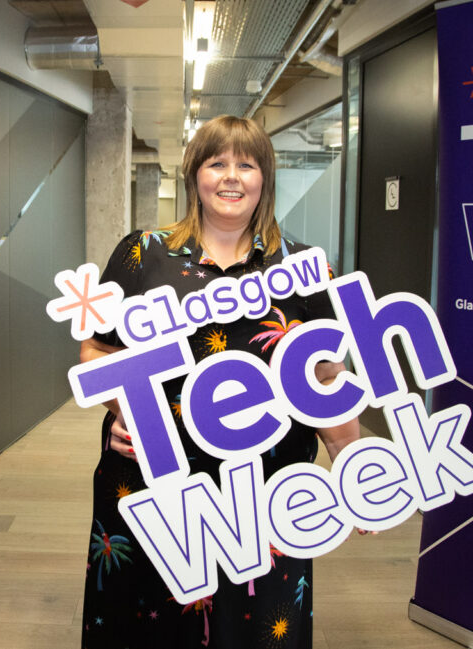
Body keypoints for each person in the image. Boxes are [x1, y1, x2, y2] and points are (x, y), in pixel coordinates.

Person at [78, 115, 360, 649]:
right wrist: (123, 410)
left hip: (266, 494)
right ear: (195, 176)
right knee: (151, 619)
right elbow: (97, 348)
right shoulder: (144, 253)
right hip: (156, 481)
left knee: (256, 622)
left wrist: (359, 466)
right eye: (217, 163)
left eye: (246, 165)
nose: (231, 177)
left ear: (264, 179)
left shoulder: (302, 267)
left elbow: (325, 376)